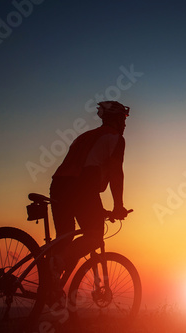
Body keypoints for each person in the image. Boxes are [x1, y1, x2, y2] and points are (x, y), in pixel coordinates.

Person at [49, 101, 130, 283]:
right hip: (82, 185)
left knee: (64, 237)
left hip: (59, 184)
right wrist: (118, 206)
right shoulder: (115, 137)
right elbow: (116, 172)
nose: (125, 124)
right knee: (94, 237)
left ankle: (51, 285)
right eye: (123, 120)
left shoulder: (85, 136)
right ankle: (57, 262)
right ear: (116, 120)